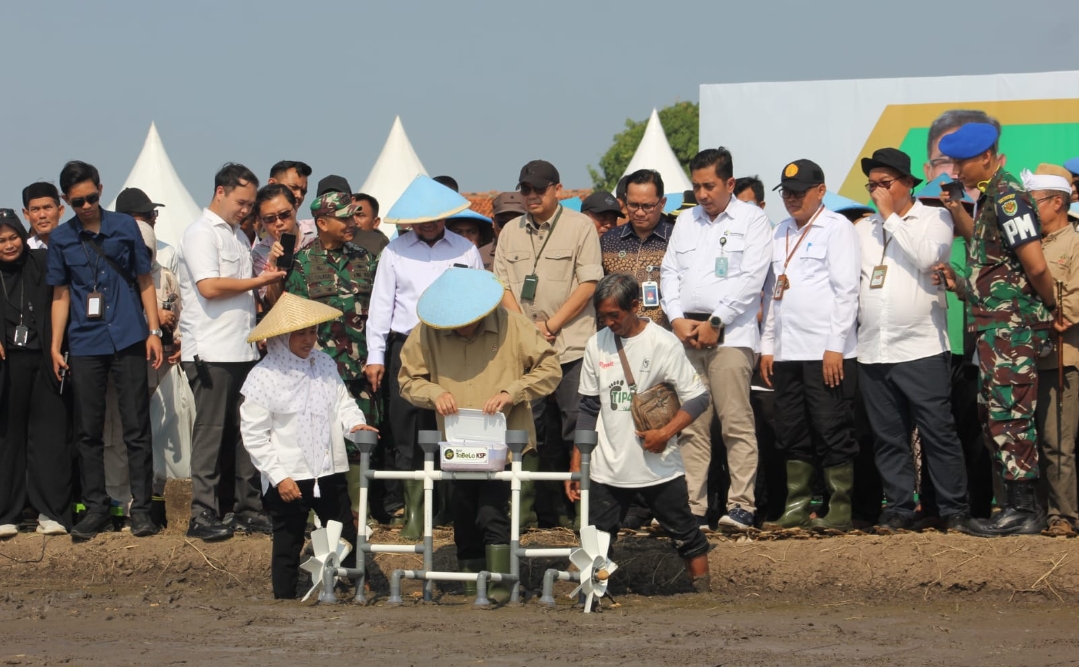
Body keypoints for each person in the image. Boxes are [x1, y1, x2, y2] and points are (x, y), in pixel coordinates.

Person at [399, 268, 561, 601]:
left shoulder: (514, 324)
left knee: (492, 511)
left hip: (503, 443)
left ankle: (500, 586)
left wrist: (513, 392)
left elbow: (550, 368)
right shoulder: (426, 332)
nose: (462, 327)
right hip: (456, 444)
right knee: (461, 511)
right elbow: (407, 380)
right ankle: (474, 585)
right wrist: (433, 393)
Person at [937, 122, 1056, 537]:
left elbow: (1036, 264)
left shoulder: (1008, 199)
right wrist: (956, 209)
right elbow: (987, 250)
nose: (956, 171)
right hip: (994, 326)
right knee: (996, 414)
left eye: (962, 162)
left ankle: (1024, 511)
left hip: (1013, 328)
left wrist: (1050, 305)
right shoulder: (989, 199)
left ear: (987, 157)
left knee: (1012, 414)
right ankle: (1013, 506)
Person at [568, 273, 712, 593]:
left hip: (657, 465)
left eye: (614, 315)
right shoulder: (596, 344)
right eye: (602, 316)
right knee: (595, 535)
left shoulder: (663, 342)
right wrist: (577, 464)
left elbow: (699, 398)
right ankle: (592, 593)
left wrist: (665, 432)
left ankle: (703, 592)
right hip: (608, 465)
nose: (607, 323)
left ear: (634, 306)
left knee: (684, 530)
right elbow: (589, 409)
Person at [854, 148, 972, 534]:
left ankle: (954, 509)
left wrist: (889, 216)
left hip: (921, 346)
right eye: (872, 185)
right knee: (888, 437)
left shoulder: (933, 218)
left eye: (885, 184)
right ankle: (900, 509)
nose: (877, 192)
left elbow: (926, 258)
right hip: (874, 348)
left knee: (938, 431)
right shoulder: (862, 229)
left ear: (908, 183)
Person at [46, 160, 163, 541]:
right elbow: (61, 294)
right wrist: (55, 344)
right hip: (84, 341)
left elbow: (145, 280)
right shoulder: (62, 239)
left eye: (92, 197)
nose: (86, 206)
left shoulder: (126, 226)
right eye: (78, 201)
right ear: (66, 200)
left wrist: (154, 330)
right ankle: (96, 508)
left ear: (100, 188)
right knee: (88, 430)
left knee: (136, 427)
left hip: (129, 334)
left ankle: (142, 509)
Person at [365, 176, 484, 540]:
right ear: (410, 220)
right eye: (421, 218)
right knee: (406, 429)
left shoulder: (465, 249)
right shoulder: (395, 251)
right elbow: (380, 306)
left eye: (434, 216)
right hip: (407, 346)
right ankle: (414, 511)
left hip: (454, 345)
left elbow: (480, 298)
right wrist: (376, 356)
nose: (428, 223)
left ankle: (449, 508)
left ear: (445, 215)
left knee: (453, 424)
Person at [660, 148, 773, 531]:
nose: (703, 194)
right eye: (696, 186)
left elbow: (751, 279)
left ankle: (741, 505)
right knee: (691, 426)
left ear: (729, 183)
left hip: (731, 334)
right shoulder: (686, 221)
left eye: (709, 186)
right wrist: (676, 319)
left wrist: (716, 320)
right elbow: (669, 272)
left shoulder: (752, 219)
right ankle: (694, 508)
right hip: (687, 336)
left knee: (735, 422)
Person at [240, 293, 375, 599]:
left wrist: (356, 425)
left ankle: (357, 588)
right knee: (287, 541)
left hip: (328, 468)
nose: (307, 339)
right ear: (282, 336)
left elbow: (343, 404)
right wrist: (279, 476)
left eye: (312, 332)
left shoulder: (324, 363)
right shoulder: (263, 376)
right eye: (299, 333)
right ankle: (284, 599)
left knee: (345, 532)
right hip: (288, 474)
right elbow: (254, 435)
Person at [494, 159, 603, 529]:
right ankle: (528, 512)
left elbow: (589, 283)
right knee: (526, 428)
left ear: (558, 189)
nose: (531, 195)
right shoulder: (510, 231)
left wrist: (551, 324)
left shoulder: (581, 227)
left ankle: (581, 511)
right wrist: (528, 330)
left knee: (578, 424)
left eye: (539, 189)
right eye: (525, 189)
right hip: (526, 349)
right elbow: (503, 286)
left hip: (571, 345)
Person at [178, 163, 285, 541]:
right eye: (241, 202)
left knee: (247, 433)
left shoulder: (240, 236)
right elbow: (209, 287)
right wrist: (260, 279)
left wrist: (264, 274)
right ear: (220, 192)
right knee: (210, 432)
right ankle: (202, 513)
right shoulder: (200, 232)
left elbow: (247, 290)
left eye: (250, 204)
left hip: (242, 349)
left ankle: (248, 508)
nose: (245, 209)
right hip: (210, 350)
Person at [759, 159, 860, 533]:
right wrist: (767, 345)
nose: (791, 199)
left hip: (825, 351)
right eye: (786, 192)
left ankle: (839, 508)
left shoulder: (838, 228)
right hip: (787, 352)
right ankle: (797, 505)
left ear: (820, 191)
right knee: (791, 430)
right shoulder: (779, 231)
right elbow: (772, 293)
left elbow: (847, 291)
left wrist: (835, 346)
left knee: (832, 427)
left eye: (799, 192)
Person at [282, 191, 385, 518]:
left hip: (360, 369)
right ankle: (322, 513)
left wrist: (375, 358)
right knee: (319, 441)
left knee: (361, 440)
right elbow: (293, 318)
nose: (352, 222)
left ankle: (359, 513)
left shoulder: (366, 259)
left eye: (354, 215)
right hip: (319, 372)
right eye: (343, 217)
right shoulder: (302, 262)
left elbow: (380, 312)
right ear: (322, 223)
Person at [0, 209, 72, 538]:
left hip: (44, 356)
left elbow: (62, 295)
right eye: (0, 240)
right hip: (7, 363)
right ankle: (7, 512)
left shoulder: (42, 262)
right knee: (8, 436)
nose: (8, 245)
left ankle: (51, 511)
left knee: (49, 434)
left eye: (13, 236)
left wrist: (56, 346)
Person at [1023, 167, 1079, 536]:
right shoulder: (1028, 244)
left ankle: (1064, 515)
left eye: (1034, 201)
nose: (1028, 209)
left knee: (1057, 441)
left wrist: (1061, 315)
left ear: (1056, 201)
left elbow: (1073, 301)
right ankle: (1036, 511)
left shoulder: (1075, 242)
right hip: (1023, 359)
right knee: (1028, 440)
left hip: (1062, 355)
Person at [601, 170, 674, 329]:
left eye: (647, 206)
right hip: (616, 337)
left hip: (664, 338)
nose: (639, 212)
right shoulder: (609, 240)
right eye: (633, 205)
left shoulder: (676, 238)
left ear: (662, 203)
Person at [251, 184, 317, 280]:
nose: (278, 223)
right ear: (260, 220)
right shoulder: (259, 255)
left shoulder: (318, 229)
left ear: (295, 207)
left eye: (284, 214)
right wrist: (274, 265)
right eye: (270, 219)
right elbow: (273, 295)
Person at [115, 187, 178, 276]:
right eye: (147, 214)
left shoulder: (167, 252)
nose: (153, 218)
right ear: (126, 219)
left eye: (153, 213)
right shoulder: (111, 252)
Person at [481, 192, 527, 270]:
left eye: (518, 223)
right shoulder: (480, 255)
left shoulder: (539, 253)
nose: (510, 229)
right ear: (493, 222)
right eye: (503, 223)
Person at [22, 182, 64, 250]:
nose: (42, 215)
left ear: (60, 211)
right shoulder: (23, 251)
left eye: (47, 208)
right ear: (26, 214)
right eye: (35, 209)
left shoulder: (76, 244)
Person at [351, 193, 389, 257]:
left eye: (360, 215)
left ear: (375, 222)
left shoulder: (379, 242)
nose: (353, 221)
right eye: (349, 216)